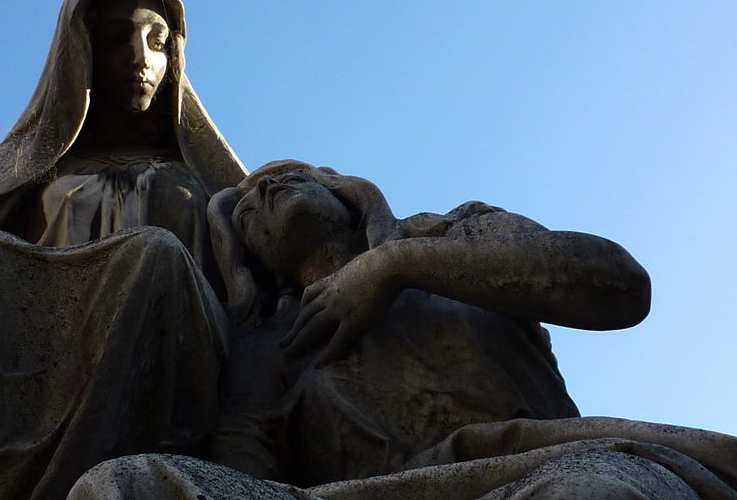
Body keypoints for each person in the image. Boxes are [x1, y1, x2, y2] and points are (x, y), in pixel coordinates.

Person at [67, 161, 737, 499]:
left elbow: (620, 286)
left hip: (540, 469)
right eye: (243, 213)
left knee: (594, 494)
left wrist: (395, 265)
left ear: (343, 191)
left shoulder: (458, 232)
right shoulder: (265, 346)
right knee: (124, 484)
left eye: (288, 177)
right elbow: (249, 476)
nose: (261, 191)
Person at [0, 0, 247, 500]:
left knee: (154, 252)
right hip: (48, 350)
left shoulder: (204, 178)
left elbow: (288, 237)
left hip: (176, 354)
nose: (140, 58)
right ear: (81, 51)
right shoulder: (32, 172)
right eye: (118, 38)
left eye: (157, 42)